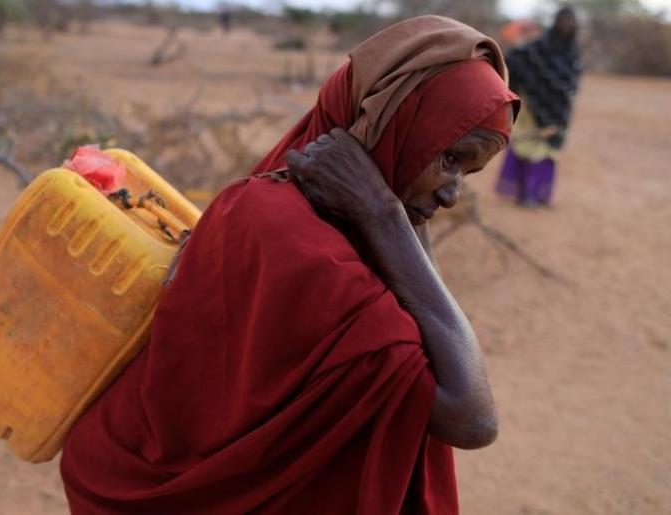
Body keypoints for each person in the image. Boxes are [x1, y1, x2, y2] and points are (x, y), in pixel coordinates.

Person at [61, 16, 519, 514]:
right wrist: (387, 216)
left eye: (468, 172)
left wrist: (391, 209)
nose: (453, 194)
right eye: (450, 159)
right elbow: (472, 418)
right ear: (394, 121)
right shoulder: (301, 246)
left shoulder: (272, 204)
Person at [496, 6, 581, 207]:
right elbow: (519, 60)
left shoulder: (574, 50)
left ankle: (541, 195)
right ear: (556, 22)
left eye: (570, 22)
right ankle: (525, 194)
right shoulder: (540, 47)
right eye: (563, 21)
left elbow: (572, 80)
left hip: (559, 110)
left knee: (549, 152)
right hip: (534, 107)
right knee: (530, 148)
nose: (566, 25)